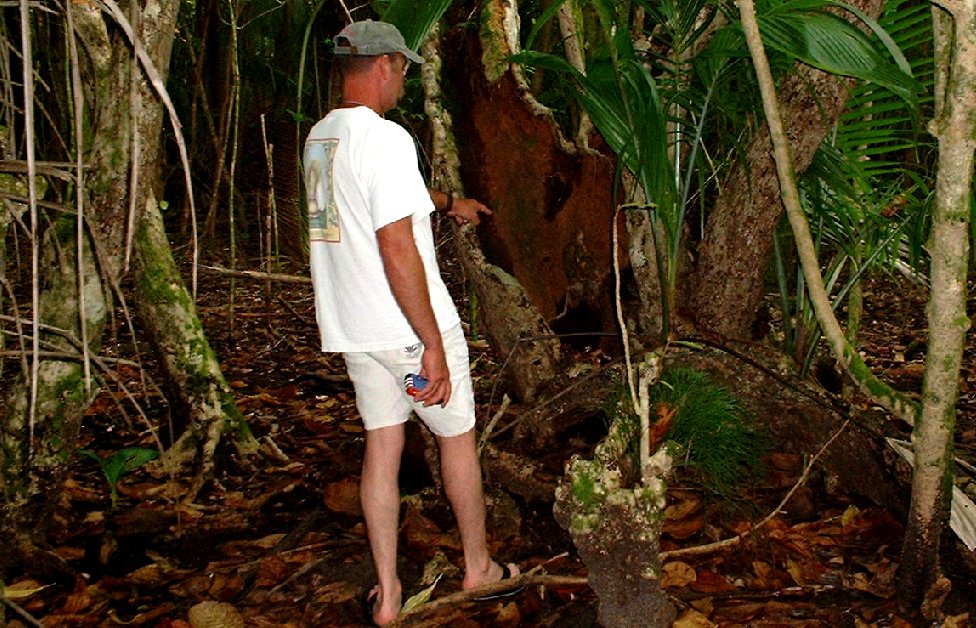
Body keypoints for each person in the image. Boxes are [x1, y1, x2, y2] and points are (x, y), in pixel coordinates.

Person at [303, 19, 520, 627]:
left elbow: (381, 196)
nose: (401, 81)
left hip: (355, 329)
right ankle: (478, 567)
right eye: (401, 68)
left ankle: (389, 594)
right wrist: (431, 344)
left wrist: (453, 205)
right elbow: (396, 243)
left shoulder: (323, 138)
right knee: (457, 438)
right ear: (385, 66)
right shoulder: (387, 137)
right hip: (406, 333)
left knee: (383, 444)